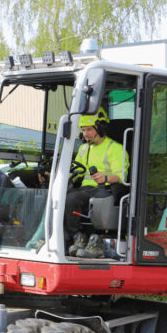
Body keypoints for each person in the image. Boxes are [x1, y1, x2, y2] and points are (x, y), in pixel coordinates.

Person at [64, 108, 129, 258]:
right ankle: (69, 238)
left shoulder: (115, 148)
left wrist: (105, 178)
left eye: (89, 129)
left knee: (71, 199)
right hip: (84, 189)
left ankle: (73, 239)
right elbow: (75, 169)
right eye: (83, 130)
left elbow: (122, 175)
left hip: (103, 189)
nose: (86, 134)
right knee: (55, 197)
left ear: (101, 128)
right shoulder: (83, 148)